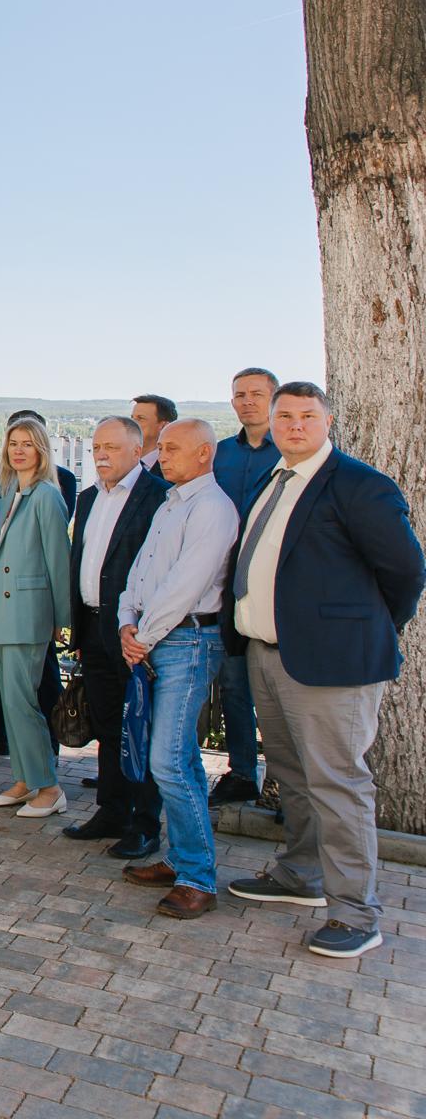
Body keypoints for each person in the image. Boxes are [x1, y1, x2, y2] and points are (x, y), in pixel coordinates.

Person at [223, 382, 425, 958]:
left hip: (333, 665)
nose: (294, 425)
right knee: (292, 774)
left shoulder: (358, 484)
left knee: (338, 785)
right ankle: (301, 874)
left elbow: (406, 573)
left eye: (306, 416)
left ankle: (356, 913)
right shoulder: (274, 480)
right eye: (284, 415)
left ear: (327, 422)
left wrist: (358, 629)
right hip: (267, 654)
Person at [116, 419, 239, 921]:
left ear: (204, 453)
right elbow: (141, 572)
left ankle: (198, 879)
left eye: (171, 448)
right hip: (155, 637)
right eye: (161, 448)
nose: (161, 455)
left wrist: (141, 636)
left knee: (168, 761)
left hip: (187, 641)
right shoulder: (172, 502)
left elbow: (186, 585)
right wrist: (127, 619)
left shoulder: (212, 508)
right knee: (178, 759)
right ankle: (182, 859)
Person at [63, 416, 168, 857]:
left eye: (111, 447)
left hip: (135, 634)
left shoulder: (158, 496)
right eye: (96, 447)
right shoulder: (88, 497)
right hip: (92, 628)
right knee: (107, 725)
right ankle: (111, 811)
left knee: (139, 729)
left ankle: (144, 825)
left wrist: (145, 629)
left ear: (137, 450)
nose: (101, 455)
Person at [0, 409, 78, 758]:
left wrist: (62, 619)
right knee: (11, 697)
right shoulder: (3, 485)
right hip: (0, 597)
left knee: (31, 695)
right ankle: (23, 770)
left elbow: (56, 556)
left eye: (28, 443)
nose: (19, 450)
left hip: (30, 607)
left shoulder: (52, 490)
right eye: (13, 442)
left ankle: (45, 767)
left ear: (42, 445)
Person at [209, 366, 281, 808]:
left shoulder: (289, 452)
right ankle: (241, 773)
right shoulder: (219, 454)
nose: (247, 401)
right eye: (240, 394)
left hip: (274, 587)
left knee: (281, 693)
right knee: (234, 685)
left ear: (274, 398)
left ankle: (284, 784)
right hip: (225, 585)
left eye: (257, 393)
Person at [132, 393, 178, 471]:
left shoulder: (176, 469)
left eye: (140, 418)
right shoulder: (120, 461)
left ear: (164, 426)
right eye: (132, 418)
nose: (131, 423)